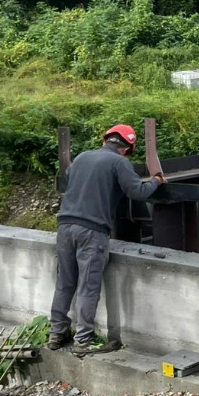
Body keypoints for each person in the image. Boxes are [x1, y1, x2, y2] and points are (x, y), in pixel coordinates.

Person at [49, 124, 164, 356]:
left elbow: (70, 179)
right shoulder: (119, 163)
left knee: (65, 282)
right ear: (126, 149)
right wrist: (156, 181)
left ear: (106, 140)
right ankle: (83, 339)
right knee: (88, 286)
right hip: (91, 231)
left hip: (65, 226)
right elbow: (137, 192)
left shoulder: (81, 157)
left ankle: (56, 333)